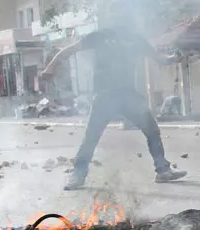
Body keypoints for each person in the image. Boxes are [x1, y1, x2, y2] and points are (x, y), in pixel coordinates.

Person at [40, 27, 188, 191]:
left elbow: (158, 58)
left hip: (128, 95)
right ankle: (78, 174)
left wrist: (173, 58)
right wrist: (50, 67)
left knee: (152, 130)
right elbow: (69, 50)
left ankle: (163, 170)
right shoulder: (100, 36)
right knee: (91, 137)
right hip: (105, 96)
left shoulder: (137, 39)